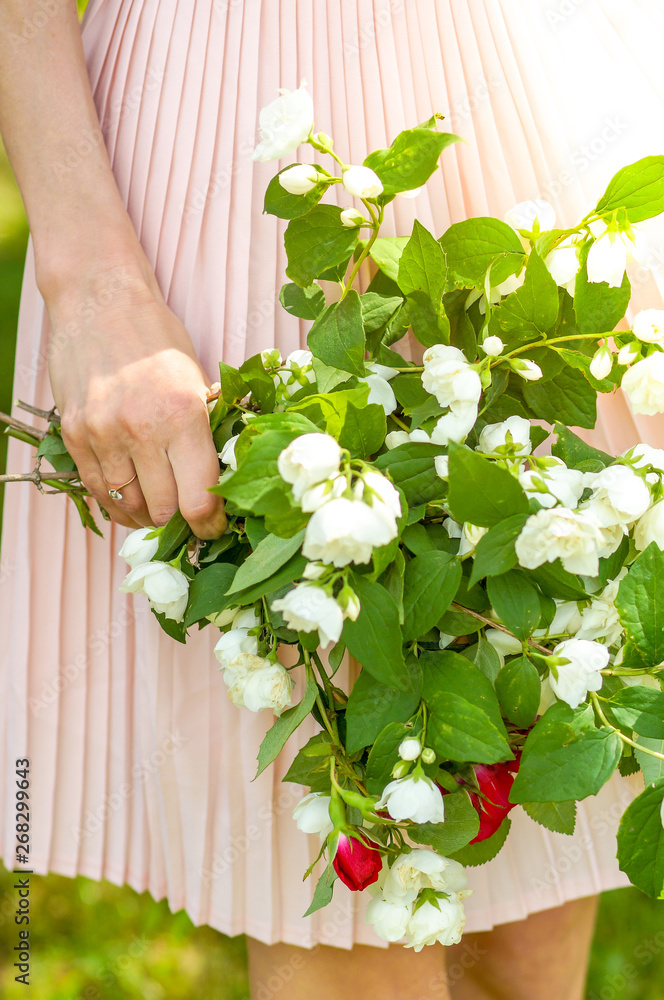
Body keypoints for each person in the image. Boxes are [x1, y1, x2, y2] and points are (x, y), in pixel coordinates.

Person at [0, 2, 662, 998]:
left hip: (542, 124)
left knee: (524, 931)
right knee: (354, 933)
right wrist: (90, 277)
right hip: (242, 145)